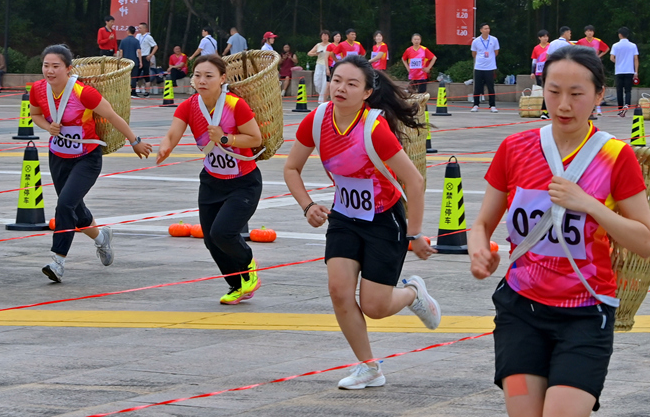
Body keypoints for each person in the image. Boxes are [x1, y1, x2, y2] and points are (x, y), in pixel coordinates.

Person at [468, 44, 650, 417]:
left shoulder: (616, 157)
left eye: (577, 93)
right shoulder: (516, 146)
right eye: (553, 91)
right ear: (539, 91)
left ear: (599, 95)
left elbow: (644, 240)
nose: (564, 103)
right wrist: (481, 249)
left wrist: (590, 205)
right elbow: (483, 221)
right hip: (521, 308)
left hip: (585, 313)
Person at [284, 54, 441, 390]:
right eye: (336, 80)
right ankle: (369, 367)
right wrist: (307, 205)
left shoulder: (374, 128)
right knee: (339, 291)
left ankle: (413, 293)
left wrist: (414, 234)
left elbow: (413, 182)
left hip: (385, 220)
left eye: (352, 84)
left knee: (375, 306)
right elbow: (291, 168)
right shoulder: (317, 120)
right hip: (344, 217)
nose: (341, 88)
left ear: (367, 92)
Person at [29, 44, 152, 283]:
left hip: (87, 158)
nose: (50, 71)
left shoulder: (83, 93)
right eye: (46, 65)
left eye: (56, 66)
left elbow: (112, 115)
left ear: (68, 69)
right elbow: (35, 115)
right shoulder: (38, 90)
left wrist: (135, 141)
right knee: (74, 208)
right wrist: (47, 127)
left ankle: (58, 261)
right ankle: (101, 237)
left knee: (64, 205)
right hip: (58, 156)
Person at [157, 55, 264, 304]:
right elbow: (173, 133)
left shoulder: (235, 105)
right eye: (197, 75)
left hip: (243, 181)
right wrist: (165, 147)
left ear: (222, 79)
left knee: (223, 232)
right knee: (210, 239)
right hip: (212, 181)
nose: (201, 81)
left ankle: (248, 263)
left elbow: (255, 138)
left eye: (208, 76)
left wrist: (226, 138)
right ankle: (237, 285)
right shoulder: (189, 106)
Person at [577, 27, 611, 117]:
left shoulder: (597, 41)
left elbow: (607, 48)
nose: (590, 33)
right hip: (584, 64)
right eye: (588, 31)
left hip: (595, 64)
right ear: (585, 32)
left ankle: (597, 107)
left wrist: (599, 56)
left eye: (591, 31)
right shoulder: (581, 41)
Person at [609, 27, 640, 117]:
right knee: (628, 90)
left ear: (620, 34)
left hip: (619, 71)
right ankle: (627, 104)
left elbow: (611, 58)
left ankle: (620, 108)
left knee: (619, 90)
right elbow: (636, 59)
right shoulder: (633, 45)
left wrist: (618, 62)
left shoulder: (615, 45)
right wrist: (636, 72)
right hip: (629, 70)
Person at [470, 23, 499, 112]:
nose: (487, 30)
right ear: (481, 30)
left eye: (488, 28)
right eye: (485, 28)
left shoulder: (494, 39)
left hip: (490, 67)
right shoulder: (476, 41)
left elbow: (496, 52)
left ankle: (492, 105)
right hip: (479, 66)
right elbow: (474, 54)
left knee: (490, 86)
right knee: (477, 87)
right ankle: (475, 104)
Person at [308, 30, 331, 103]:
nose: (325, 37)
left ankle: (322, 100)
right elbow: (309, 53)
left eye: (326, 35)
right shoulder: (318, 45)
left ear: (329, 37)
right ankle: (321, 95)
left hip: (327, 65)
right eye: (323, 36)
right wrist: (316, 53)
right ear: (321, 37)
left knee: (325, 82)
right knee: (317, 82)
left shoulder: (330, 45)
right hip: (319, 64)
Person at [119, 26, 141, 97]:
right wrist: (140, 61)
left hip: (125, 62)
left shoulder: (123, 41)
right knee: (134, 77)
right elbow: (138, 51)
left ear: (128, 31)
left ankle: (125, 91)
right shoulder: (136, 41)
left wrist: (120, 60)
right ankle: (133, 91)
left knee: (125, 77)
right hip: (134, 61)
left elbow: (121, 51)